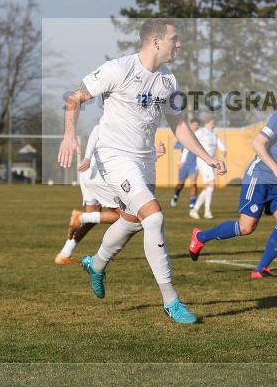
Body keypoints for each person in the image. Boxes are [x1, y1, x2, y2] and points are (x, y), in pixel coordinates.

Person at [57, 18, 226, 324]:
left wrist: (206, 156)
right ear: (156, 42)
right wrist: (69, 135)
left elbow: (178, 124)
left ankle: (96, 264)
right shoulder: (118, 69)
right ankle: (171, 300)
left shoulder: (168, 80)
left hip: (145, 159)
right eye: (175, 39)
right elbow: (74, 97)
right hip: (114, 157)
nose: (179, 44)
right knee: (155, 216)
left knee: (132, 222)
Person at [189, 84, 277, 278]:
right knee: (246, 227)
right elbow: (257, 143)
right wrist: (275, 169)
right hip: (258, 176)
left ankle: (260, 269)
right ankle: (200, 236)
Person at [55, 123, 165, 265]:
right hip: (101, 174)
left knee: (93, 219)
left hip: (89, 173)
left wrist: (154, 155)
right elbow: (98, 131)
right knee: (129, 216)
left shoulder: (125, 124)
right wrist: (87, 157)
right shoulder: (121, 119)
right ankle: (81, 217)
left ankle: (64, 254)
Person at [190, 114, 227, 220]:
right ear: (209, 121)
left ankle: (195, 209)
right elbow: (191, 142)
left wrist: (224, 150)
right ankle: (207, 212)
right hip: (203, 162)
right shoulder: (200, 132)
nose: (214, 123)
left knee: (209, 187)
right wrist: (183, 159)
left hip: (212, 163)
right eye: (213, 121)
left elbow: (218, 143)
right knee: (211, 184)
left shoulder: (213, 133)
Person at [170, 118, 201, 208]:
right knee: (180, 184)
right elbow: (176, 146)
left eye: (197, 125)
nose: (195, 126)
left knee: (193, 183)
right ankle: (176, 194)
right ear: (190, 125)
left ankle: (192, 202)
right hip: (184, 164)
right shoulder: (185, 135)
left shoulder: (200, 136)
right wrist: (186, 143)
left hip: (195, 163)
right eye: (194, 125)